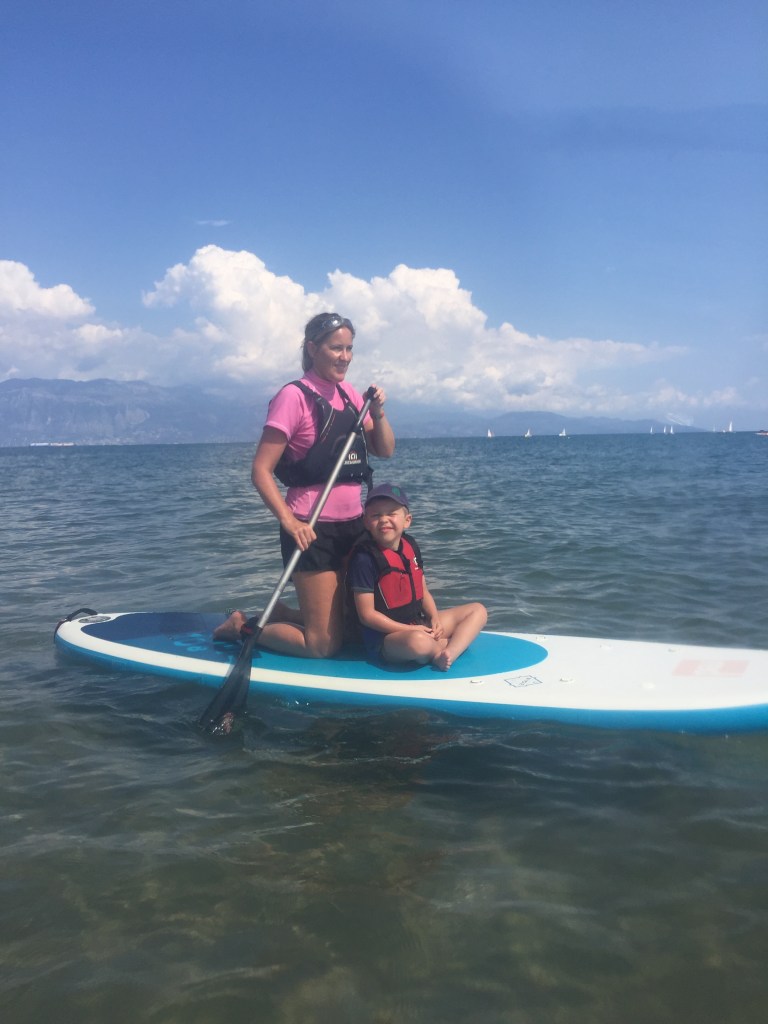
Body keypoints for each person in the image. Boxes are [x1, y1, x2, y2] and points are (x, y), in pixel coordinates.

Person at [215, 312, 395, 657]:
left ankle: (282, 614)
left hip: (354, 527)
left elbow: (384, 450)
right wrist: (289, 521)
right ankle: (242, 627)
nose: (345, 357)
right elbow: (261, 470)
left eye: (349, 349)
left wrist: (378, 413)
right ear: (313, 349)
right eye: (336, 348)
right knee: (322, 646)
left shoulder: (350, 395)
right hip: (311, 529)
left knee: (356, 626)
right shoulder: (294, 396)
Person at [347, 483, 487, 671]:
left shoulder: (410, 546)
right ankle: (442, 647)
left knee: (478, 611)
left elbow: (424, 592)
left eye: (391, 514)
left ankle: (449, 652)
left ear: (407, 520)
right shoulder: (364, 559)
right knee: (418, 642)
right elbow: (367, 616)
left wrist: (435, 618)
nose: (384, 520)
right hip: (387, 639)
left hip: (417, 623)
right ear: (366, 522)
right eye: (376, 515)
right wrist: (411, 630)